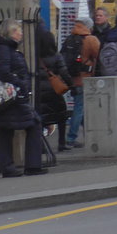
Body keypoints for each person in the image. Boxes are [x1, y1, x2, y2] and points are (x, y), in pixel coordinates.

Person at [0, 18, 48, 177]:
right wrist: (21, 84)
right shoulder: (5, 48)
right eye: (18, 30)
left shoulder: (7, 48)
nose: (21, 33)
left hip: (10, 98)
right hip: (12, 97)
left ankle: (8, 166)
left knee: (5, 130)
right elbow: (3, 72)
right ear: (10, 32)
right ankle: (32, 165)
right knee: (34, 123)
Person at [63, 15, 100, 148]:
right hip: (85, 79)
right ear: (89, 26)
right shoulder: (90, 39)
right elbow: (99, 55)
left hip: (72, 79)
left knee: (81, 108)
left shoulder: (70, 38)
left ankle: (89, 136)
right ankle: (71, 138)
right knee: (79, 108)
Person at [36, 24, 73, 150]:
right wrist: (71, 85)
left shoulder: (35, 57)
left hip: (39, 92)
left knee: (40, 117)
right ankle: (61, 142)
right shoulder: (57, 56)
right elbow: (64, 73)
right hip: (54, 92)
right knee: (61, 115)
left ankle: (40, 145)